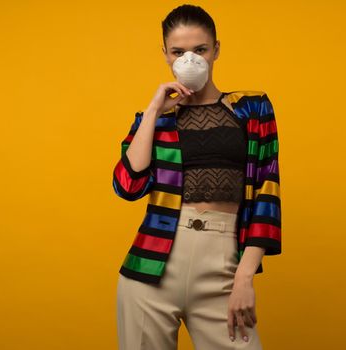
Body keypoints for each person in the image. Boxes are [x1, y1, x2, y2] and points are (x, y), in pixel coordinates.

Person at [113, 4, 282, 350]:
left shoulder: (251, 108)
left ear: (216, 49)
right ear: (165, 54)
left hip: (222, 265)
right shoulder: (154, 119)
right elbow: (128, 185)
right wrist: (154, 110)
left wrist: (245, 277)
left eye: (200, 50)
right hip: (151, 269)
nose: (190, 59)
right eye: (178, 52)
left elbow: (267, 193)